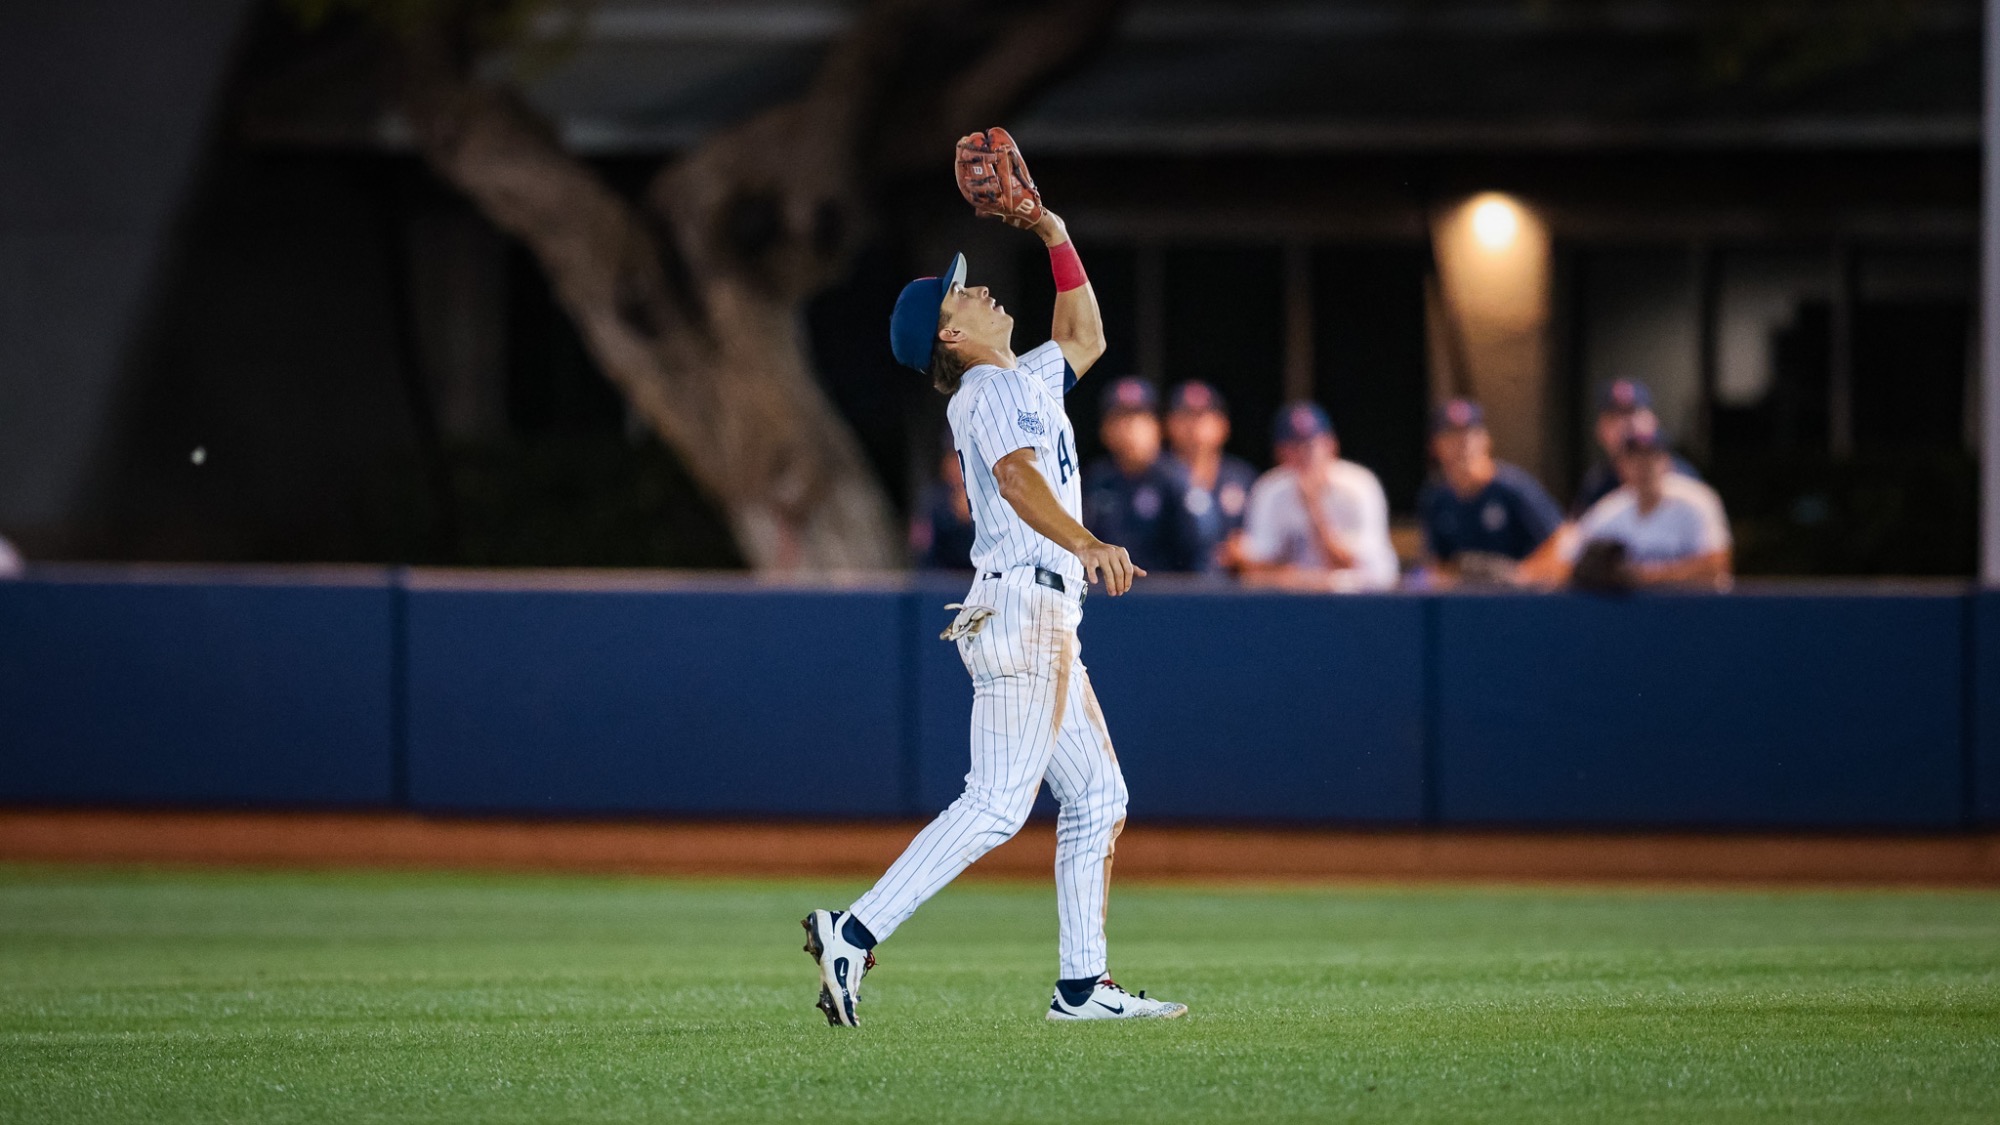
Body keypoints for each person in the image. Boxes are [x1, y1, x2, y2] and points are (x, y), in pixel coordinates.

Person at [802, 205, 1185, 1026]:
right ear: (950, 336)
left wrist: (1052, 231)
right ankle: (852, 930)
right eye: (960, 295)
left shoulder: (1021, 376)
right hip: (1025, 605)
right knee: (998, 803)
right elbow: (1015, 478)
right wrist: (1087, 540)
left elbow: (1085, 336)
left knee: (1098, 797)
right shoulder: (987, 390)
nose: (978, 291)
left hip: (1036, 611)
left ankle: (1082, 987)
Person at [1526, 415, 1733, 590]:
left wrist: (1642, 576)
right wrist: (1522, 576)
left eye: (1650, 456)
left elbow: (1717, 565)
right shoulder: (1611, 509)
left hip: (1694, 613)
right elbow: (1565, 556)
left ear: (1666, 461)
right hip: (1636, 617)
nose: (1643, 466)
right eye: (1634, 459)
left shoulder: (1696, 501)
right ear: (1621, 467)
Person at [1237, 402, 1399, 591]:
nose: (1304, 455)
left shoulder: (1359, 486)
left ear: (1331, 445)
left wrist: (1314, 507)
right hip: (1293, 598)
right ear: (1279, 453)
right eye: (1293, 447)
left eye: (1311, 445)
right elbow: (1253, 570)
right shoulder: (1270, 490)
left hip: (1360, 598)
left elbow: (1357, 565)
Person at [1416, 398, 1564, 586]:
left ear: (1486, 440)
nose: (1464, 443)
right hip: (1469, 597)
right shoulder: (1436, 498)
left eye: (1471, 434)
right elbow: (1436, 564)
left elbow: (1561, 542)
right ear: (1435, 446)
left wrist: (1521, 575)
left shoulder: (1512, 487)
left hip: (1522, 596)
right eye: (1452, 435)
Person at [1081, 378, 1203, 573]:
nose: (1131, 428)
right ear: (1104, 429)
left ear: (1157, 426)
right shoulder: (1095, 479)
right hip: (1105, 586)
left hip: (1166, 586)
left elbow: (1198, 550)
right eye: (1120, 418)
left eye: (1140, 418)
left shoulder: (1174, 478)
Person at [1571, 378, 1701, 518]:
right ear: (1600, 429)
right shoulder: (1597, 482)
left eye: (1632, 414)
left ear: (1652, 421)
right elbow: (1577, 526)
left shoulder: (1680, 476)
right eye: (1614, 417)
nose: (1624, 425)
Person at [1164, 380, 1257, 574]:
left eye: (1203, 415)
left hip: (1230, 584)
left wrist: (1245, 548)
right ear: (1169, 424)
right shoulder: (1158, 475)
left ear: (1223, 425)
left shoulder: (1242, 477)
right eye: (1186, 416)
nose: (1194, 425)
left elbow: (1260, 539)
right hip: (1170, 583)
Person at [909, 431, 976, 570]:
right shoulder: (932, 502)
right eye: (954, 459)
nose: (960, 467)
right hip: (941, 580)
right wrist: (953, 520)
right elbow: (921, 554)